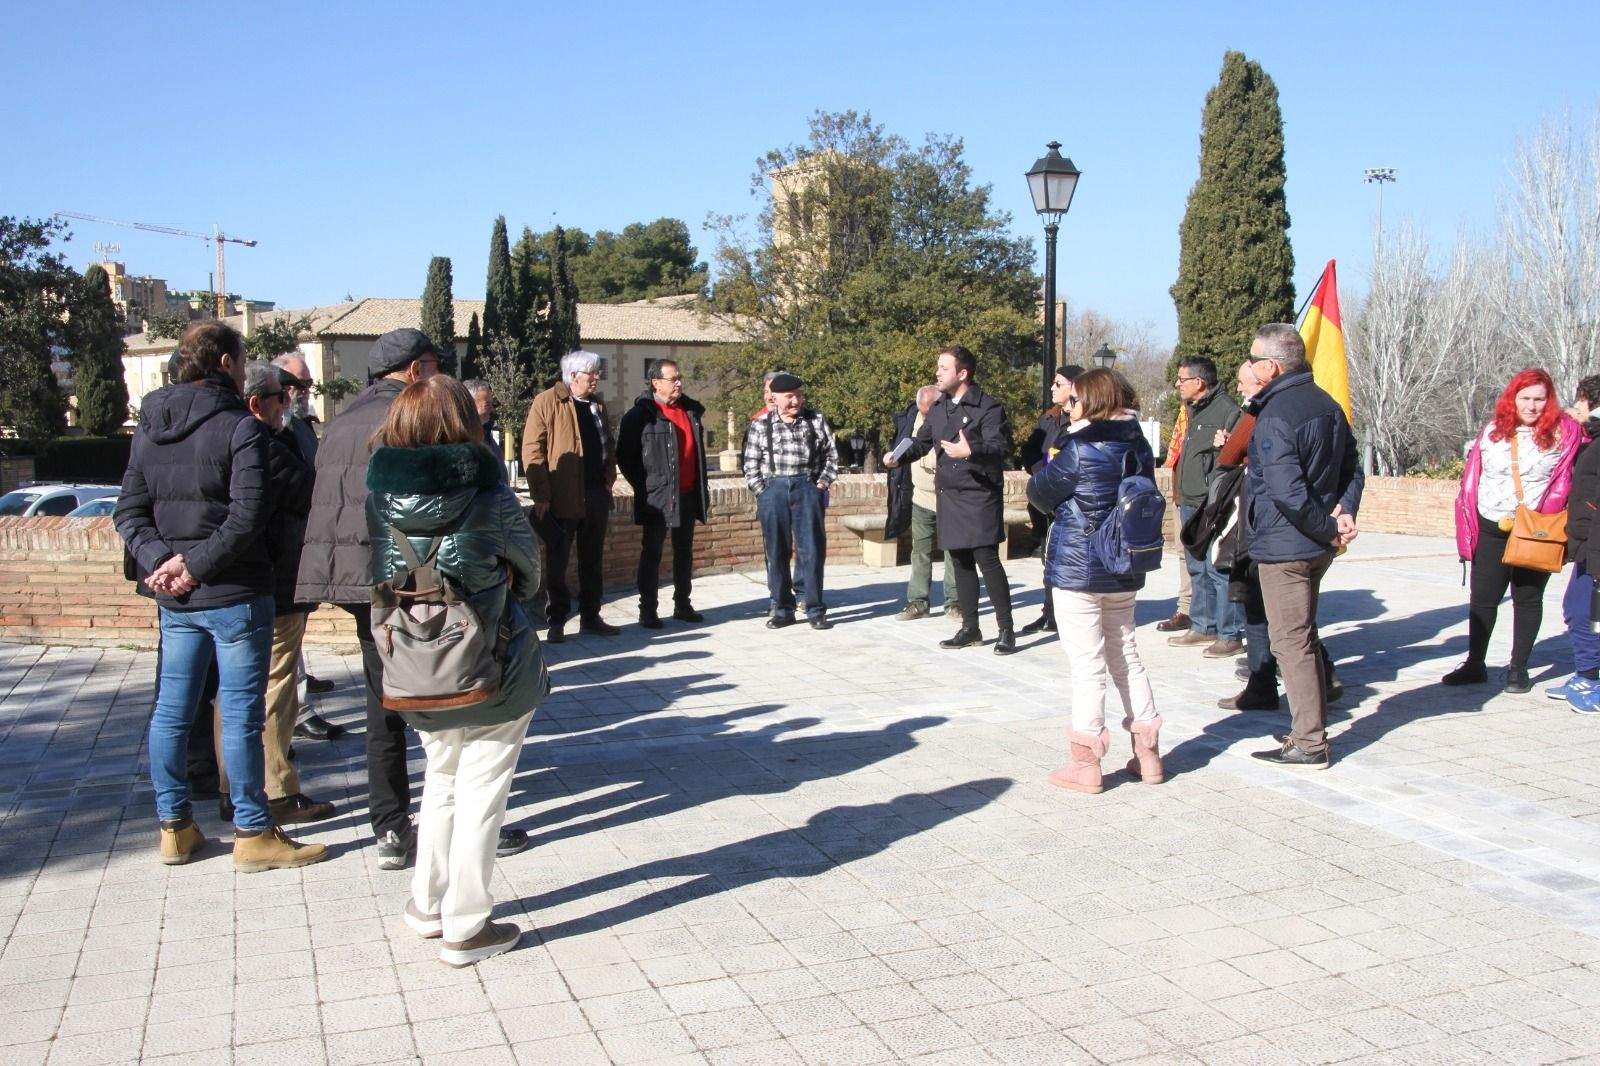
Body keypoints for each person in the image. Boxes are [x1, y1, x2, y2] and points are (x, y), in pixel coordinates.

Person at [298, 328, 527, 869]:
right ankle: (461, 823)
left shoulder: (339, 423)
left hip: (362, 579)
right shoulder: (411, 417)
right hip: (421, 579)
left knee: (387, 702)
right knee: (447, 694)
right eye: (432, 363)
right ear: (413, 368)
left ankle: (392, 828)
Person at [115, 322, 327, 871]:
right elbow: (248, 516)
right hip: (232, 590)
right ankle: (253, 833)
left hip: (179, 596)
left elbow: (128, 513)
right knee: (237, 713)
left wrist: (163, 563)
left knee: (172, 710)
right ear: (228, 363)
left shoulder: (148, 425)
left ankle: (175, 826)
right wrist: (187, 564)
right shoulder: (241, 427)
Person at [366, 376, 550, 967]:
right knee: (483, 793)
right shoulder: (490, 497)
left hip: (416, 663)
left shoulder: (378, 497)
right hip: (490, 660)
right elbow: (530, 570)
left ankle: (426, 904)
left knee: (441, 780)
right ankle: (467, 926)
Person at [1027, 368, 1162, 792]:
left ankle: (1086, 763)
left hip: (1078, 566)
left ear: (1091, 401)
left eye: (1073, 400)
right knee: (1127, 654)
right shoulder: (1138, 445)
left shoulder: (1079, 448)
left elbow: (1039, 492)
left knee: (1088, 665)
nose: (1068, 408)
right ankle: (1149, 754)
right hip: (1124, 564)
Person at [212, 363, 335, 826]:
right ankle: (276, 788)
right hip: (274, 581)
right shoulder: (268, 445)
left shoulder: (220, 438)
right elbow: (310, 493)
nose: (290, 402)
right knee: (275, 685)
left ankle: (233, 788)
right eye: (282, 395)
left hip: (233, 581)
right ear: (257, 403)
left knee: (234, 688)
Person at [1244, 324, 1364, 769]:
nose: (1250, 365)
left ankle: (1309, 742)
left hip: (1288, 545)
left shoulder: (1277, 412)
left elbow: (1286, 490)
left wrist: (1330, 525)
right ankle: (1307, 724)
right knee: (1304, 636)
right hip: (1312, 544)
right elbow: (1354, 467)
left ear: (1271, 366)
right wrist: (1342, 512)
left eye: (1254, 359)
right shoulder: (1326, 403)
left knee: (1290, 642)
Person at [1447, 367, 1582, 694]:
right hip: (1490, 525)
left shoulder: (1563, 434)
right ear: (1513, 398)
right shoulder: (1493, 431)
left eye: (1540, 399)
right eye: (1526, 398)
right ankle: (1474, 663)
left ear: (1549, 401)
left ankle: (1518, 669)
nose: (1532, 406)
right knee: (1483, 599)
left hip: (1535, 529)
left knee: (1527, 597)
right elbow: (1473, 476)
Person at [890, 346, 1016, 655]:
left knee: (987, 561)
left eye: (943, 368)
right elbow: (921, 443)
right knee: (959, 561)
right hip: (948, 495)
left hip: (978, 494)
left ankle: (1006, 629)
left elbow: (1000, 447)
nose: (937, 372)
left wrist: (971, 451)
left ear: (962, 373)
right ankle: (970, 628)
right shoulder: (939, 407)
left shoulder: (989, 407)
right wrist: (897, 456)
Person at [521, 350, 619, 643]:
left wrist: (609, 477)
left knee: (592, 559)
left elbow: (606, 444)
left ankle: (591, 616)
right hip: (562, 496)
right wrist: (541, 495)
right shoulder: (548, 401)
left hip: (595, 493)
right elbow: (532, 449)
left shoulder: (597, 405)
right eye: (592, 374)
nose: (597, 378)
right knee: (558, 561)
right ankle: (557, 621)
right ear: (574, 376)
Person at [272, 352, 343, 734]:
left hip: (301, 544)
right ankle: (295, 715)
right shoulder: (274, 430)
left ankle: (297, 702)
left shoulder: (299, 424)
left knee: (291, 637)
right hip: (281, 552)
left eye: (308, 384)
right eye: (300, 384)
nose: (306, 391)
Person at [741, 372, 839, 629]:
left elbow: (832, 455)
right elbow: (750, 464)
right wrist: (761, 490)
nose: (796, 401)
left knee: (812, 551)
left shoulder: (815, 420)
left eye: (799, 395)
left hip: (807, 487)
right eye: (789, 397)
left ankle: (815, 609)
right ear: (774, 397)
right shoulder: (761, 424)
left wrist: (821, 484)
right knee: (776, 551)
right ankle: (783, 609)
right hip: (773, 488)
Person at [617, 359, 709, 628]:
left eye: (680, 378)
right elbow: (625, 457)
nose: (679, 383)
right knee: (652, 553)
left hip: (689, 493)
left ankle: (683, 604)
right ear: (656, 382)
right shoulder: (639, 415)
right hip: (657, 497)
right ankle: (648, 610)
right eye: (673, 379)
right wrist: (646, 486)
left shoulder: (691, 411)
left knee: (685, 552)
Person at [1169, 357, 1244, 657]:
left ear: (1198, 383)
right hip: (1189, 501)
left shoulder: (1227, 410)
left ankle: (1229, 633)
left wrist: (1224, 444)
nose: (1177, 385)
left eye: (1182, 379)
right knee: (1196, 567)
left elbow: (1237, 457)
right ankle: (1202, 625)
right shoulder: (1193, 410)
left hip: (1211, 504)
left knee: (1217, 568)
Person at [1546, 376, 1600, 706]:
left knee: (1583, 613)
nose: (1574, 407)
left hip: (1594, 551)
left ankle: (1589, 681)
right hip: (1587, 546)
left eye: (1579, 401)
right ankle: (1585, 675)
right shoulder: (1591, 441)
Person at [1018, 366, 1083, 634]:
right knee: (1048, 557)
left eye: (1058, 384)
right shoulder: (1049, 418)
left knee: (1068, 560)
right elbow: (1030, 450)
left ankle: (1071, 614)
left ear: (1074, 387)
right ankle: (1050, 612)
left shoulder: (1082, 421)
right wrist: (1040, 474)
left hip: (1069, 503)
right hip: (1045, 498)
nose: (1052, 388)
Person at [888, 385, 955, 622]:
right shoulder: (910, 418)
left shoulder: (953, 417)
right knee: (920, 552)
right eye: (922, 411)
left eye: (929, 411)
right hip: (921, 497)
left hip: (949, 498)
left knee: (953, 553)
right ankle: (918, 602)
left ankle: (954, 603)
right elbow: (907, 445)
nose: (925, 416)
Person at [1157, 404, 1193, 633]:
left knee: (1205, 558)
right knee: (1184, 554)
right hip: (1182, 494)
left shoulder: (1218, 411)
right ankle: (1187, 609)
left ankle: (1211, 618)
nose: (1178, 384)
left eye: (1183, 379)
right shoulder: (1185, 413)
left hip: (1201, 499)